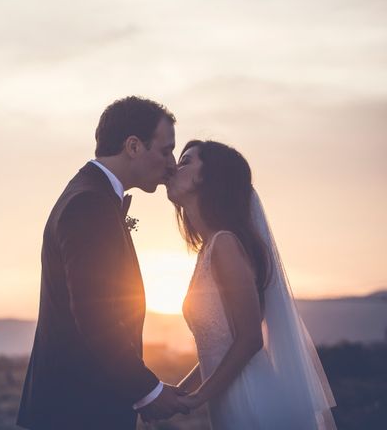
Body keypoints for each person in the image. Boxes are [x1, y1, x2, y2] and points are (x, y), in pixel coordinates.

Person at [17, 96, 188, 429]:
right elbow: (95, 316)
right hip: (75, 412)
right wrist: (147, 392)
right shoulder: (89, 205)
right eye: (166, 150)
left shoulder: (89, 195)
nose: (171, 164)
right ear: (134, 146)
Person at [166, 140, 337, 429]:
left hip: (252, 398)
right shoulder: (208, 250)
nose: (172, 169)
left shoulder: (225, 244)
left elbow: (249, 339)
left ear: (207, 178)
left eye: (185, 162)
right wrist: (178, 392)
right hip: (227, 400)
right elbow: (218, 349)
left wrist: (197, 398)